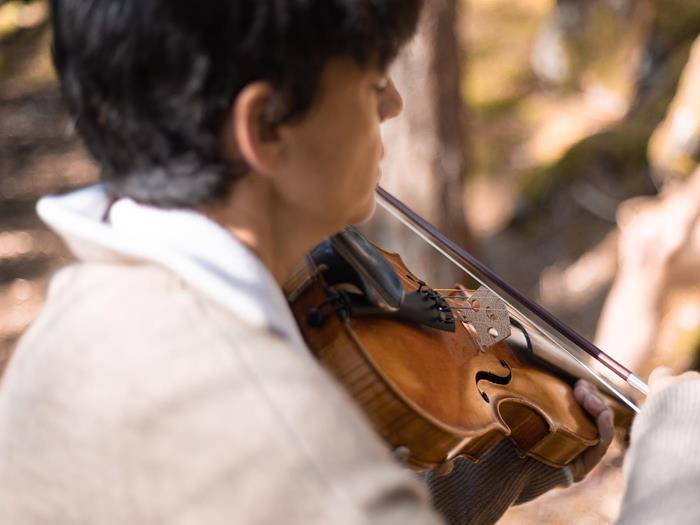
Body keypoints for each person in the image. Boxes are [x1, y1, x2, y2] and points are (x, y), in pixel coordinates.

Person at [0, 1, 691, 524]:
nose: (392, 103)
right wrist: (676, 474)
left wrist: (497, 459)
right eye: (369, 81)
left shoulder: (69, 331)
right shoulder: (282, 435)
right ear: (266, 124)